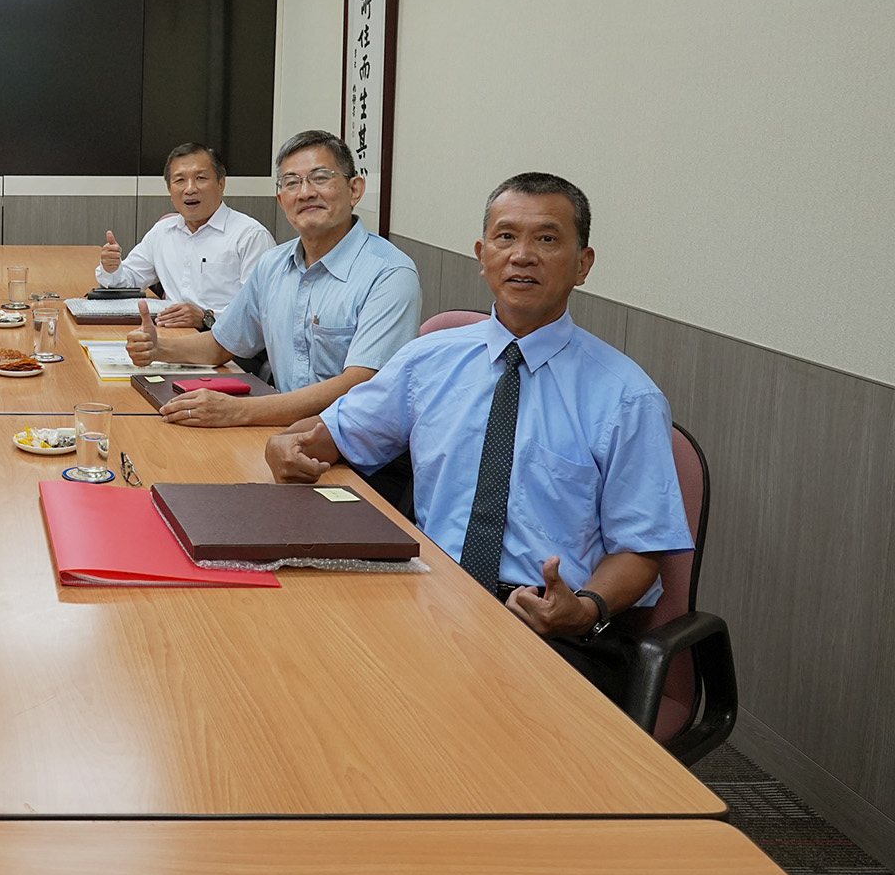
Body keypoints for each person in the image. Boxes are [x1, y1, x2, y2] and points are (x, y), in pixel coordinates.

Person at [265, 173, 692, 696]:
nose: (522, 255)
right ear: (482, 254)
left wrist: (584, 608)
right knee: (299, 674)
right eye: (505, 237)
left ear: (583, 264)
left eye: (547, 239)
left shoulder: (627, 397)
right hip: (427, 595)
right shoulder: (428, 359)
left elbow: (642, 550)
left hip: (547, 625)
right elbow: (331, 435)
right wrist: (285, 445)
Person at [127, 129, 421, 427]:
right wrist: (158, 348)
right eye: (292, 182)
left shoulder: (389, 273)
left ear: (354, 190)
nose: (305, 193)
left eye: (320, 178)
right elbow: (222, 344)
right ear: (282, 200)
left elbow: (361, 384)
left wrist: (240, 411)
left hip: (353, 440)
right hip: (280, 425)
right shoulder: (273, 265)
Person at [95, 142, 274, 329]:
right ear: (169, 189)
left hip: (223, 342)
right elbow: (129, 280)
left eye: (200, 178)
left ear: (221, 184)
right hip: (171, 334)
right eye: (180, 180)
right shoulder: (163, 231)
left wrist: (206, 318)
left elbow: (258, 311)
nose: (190, 189)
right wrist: (111, 268)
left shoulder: (251, 236)